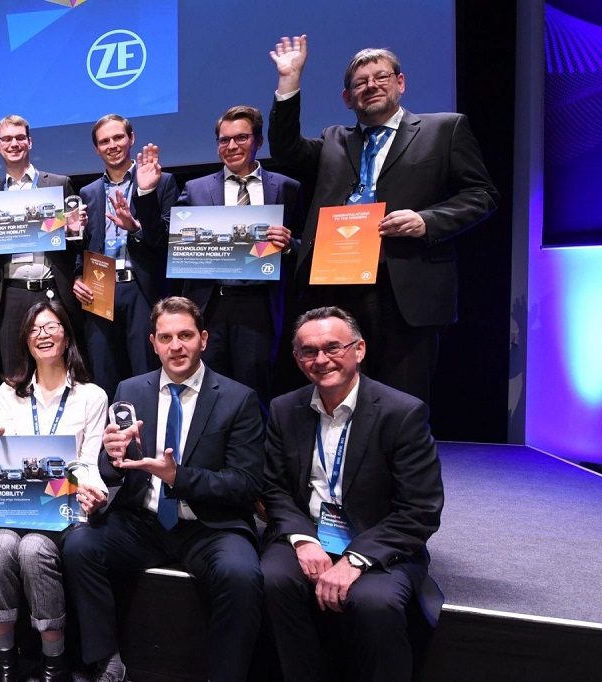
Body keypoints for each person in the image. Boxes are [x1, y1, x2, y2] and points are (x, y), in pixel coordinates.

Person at [268, 36, 498, 404]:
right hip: (335, 283)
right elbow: (286, 150)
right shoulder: (334, 140)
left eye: (381, 77)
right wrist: (289, 80)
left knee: (401, 399)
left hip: (403, 285)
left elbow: (481, 194)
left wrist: (427, 220)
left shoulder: (444, 129)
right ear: (348, 98)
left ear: (400, 83)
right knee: (338, 393)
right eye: (360, 82)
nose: (371, 86)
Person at [62, 296, 265, 682]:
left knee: (241, 575)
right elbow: (113, 470)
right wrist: (111, 456)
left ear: (203, 339)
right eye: (166, 337)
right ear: (153, 343)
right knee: (79, 545)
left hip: (210, 526)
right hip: (144, 520)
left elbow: (246, 483)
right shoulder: (130, 390)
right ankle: (106, 660)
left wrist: (178, 477)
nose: (176, 346)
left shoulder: (238, 399)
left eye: (185, 335)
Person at [259, 306, 444, 682]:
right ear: (296, 359)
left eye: (333, 347)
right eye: (309, 351)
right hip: (309, 533)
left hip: (378, 540)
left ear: (359, 350)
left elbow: (420, 509)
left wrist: (356, 559)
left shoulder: (402, 413)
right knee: (270, 579)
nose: (321, 359)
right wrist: (302, 539)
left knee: (373, 602)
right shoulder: (284, 409)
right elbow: (273, 489)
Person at [0, 299, 107, 682]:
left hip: (61, 508)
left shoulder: (92, 396)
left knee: (33, 549)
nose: (42, 335)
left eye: (51, 326)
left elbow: (90, 461)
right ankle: (4, 663)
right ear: (25, 341)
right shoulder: (9, 392)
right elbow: (4, 462)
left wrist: (94, 492)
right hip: (18, 506)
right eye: (34, 329)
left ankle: (53, 665)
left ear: (67, 334)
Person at [177, 105, 302, 401]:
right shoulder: (195, 189)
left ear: (258, 141)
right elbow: (171, 237)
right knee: (207, 390)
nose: (231, 146)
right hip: (210, 306)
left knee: (254, 390)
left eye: (241, 138)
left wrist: (289, 244)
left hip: (259, 304)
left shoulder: (286, 187)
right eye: (224, 140)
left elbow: (304, 243)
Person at [73, 114, 178, 398]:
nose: (112, 145)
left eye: (118, 137)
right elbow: (84, 247)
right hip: (99, 289)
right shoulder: (88, 192)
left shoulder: (162, 182)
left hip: (141, 289)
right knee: (103, 375)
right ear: (97, 149)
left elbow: (167, 242)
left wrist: (136, 225)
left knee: (146, 374)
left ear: (131, 139)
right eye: (104, 141)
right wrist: (77, 276)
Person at [0, 115, 80, 378]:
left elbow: (79, 243)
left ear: (30, 142)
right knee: (14, 372)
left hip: (51, 289)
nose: (14, 144)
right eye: (7, 139)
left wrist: (73, 229)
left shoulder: (58, 184)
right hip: (11, 295)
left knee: (59, 368)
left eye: (20, 138)